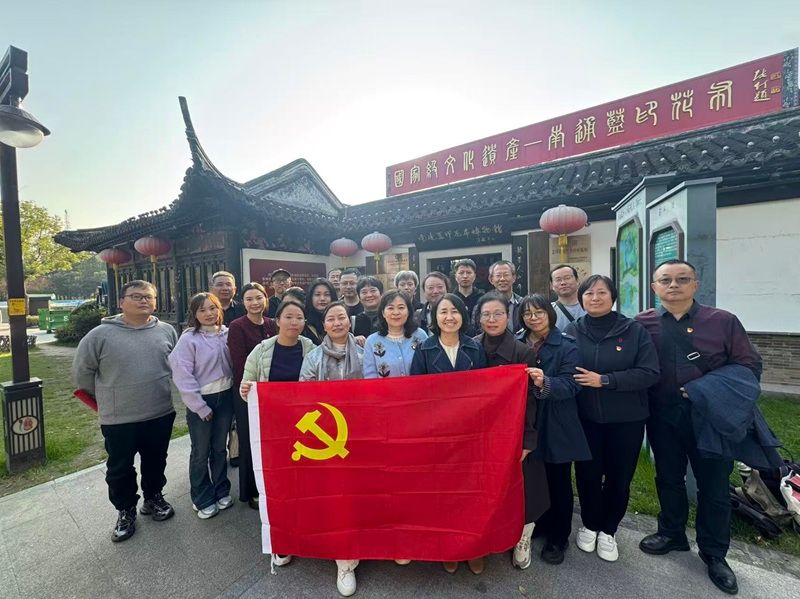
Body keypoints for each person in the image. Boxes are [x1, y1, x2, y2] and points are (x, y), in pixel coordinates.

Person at [636, 260, 763, 595]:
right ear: (654, 287)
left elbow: (749, 366)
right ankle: (672, 533)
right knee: (668, 477)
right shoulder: (643, 323)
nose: (673, 285)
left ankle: (714, 553)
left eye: (682, 279)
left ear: (695, 284)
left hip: (710, 418)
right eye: (665, 280)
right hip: (663, 416)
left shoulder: (723, 321)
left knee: (714, 486)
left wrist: (704, 390)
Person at [563, 275, 660, 562]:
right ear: (581, 298)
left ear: (612, 297)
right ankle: (590, 524)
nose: (595, 298)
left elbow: (649, 372)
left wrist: (605, 380)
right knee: (587, 475)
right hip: (585, 418)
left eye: (601, 293)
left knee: (619, 477)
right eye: (589, 293)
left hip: (626, 419)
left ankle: (609, 530)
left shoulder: (633, 331)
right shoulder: (572, 330)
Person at [72, 280, 178, 542]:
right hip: (119, 418)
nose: (143, 301)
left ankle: (153, 497)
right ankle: (125, 510)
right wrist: (109, 399)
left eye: (149, 297)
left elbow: (176, 365)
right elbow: (82, 375)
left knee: (156, 460)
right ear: (121, 302)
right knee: (120, 468)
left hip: (159, 411)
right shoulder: (99, 335)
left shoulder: (166, 331)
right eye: (136, 296)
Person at [410, 293, 487, 575]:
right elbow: (416, 394)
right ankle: (448, 546)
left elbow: (486, 390)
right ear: (435, 317)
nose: (449, 317)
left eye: (454, 311)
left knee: (471, 491)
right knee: (443, 493)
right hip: (438, 433)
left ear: (463, 316)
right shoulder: (425, 349)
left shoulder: (475, 348)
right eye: (443, 312)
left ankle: (473, 548)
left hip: (469, 432)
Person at [474, 292, 550, 572]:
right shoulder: (471, 348)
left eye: (498, 314)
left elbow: (529, 401)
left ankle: (523, 537)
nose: (492, 319)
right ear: (478, 319)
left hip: (514, 432)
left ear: (508, 317)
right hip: (479, 433)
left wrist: (527, 440)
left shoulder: (523, 352)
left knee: (525, 486)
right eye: (486, 314)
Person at [239, 299, 315, 569]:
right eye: (289, 317)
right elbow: (247, 387)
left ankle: (308, 529)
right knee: (279, 483)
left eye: (299, 317)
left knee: (305, 482)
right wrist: (247, 390)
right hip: (274, 429)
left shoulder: (311, 348)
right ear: (277, 320)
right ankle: (282, 538)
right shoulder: (261, 351)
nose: (294, 322)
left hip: (306, 427)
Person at [515, 294, 589, 565]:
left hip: (556, 421)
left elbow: (572, 384)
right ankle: (539, 523)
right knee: (533, 478)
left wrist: (545, 382)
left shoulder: (567, 345)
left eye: (539, 312)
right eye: (527, 313)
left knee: (558, 480)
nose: (533, 318)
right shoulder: (517, 341)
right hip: (525, 421)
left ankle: (559, 536)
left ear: (550, 313)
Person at [299, 301, 364, 597]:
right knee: (337, 496)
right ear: (323, 325)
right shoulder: (313, 357)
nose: (337, 323)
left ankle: (374, 544)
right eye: (331, 319)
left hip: (363, 434)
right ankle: (344, 560)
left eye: (341, 318)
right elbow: (303, 395)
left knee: (364, 493)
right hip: (328, 438)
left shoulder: (365, 352)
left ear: (349, 322)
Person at [169, 293, 235, 520]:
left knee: (220, 449)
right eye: (202, 310)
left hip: (226, 398)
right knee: (200, 452)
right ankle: (202, 497)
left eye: (212, 308)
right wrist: (199, 406)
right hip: (203, 400)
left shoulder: (227, 333)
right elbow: (182, 374)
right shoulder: (189, 339)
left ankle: (221, 489)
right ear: (194, 314)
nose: (209, 314)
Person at [227, 282, 277, 508]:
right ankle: (252, 490)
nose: (255, 302)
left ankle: (271, 484)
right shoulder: (237, 326)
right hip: (247, 392)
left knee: (270, 441)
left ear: (265, 299)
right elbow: (239, 364)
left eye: (259, 298)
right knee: (250, 440)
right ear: (243, 302)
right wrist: (254, 389)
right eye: (249, 299)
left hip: (272, 393)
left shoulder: (272, 323)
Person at [210, 270, 244, 466]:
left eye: (228, 284)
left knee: (236, 414)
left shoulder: (242, 309)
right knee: (217, 420)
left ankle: (235, 451)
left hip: (238, 370)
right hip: (214, 374)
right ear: (212, 288)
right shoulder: (206, 310)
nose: (224, 288)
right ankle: (215, 456)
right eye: (220, 284)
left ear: (235, 289)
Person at [363, 290, 428, 379]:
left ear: (408, 311)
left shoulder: (420, 335)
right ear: (383, 313)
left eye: (401, 307)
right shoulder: (372, 341)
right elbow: (370, 376)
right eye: (390, 308)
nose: (396, 312)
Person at [488, 260, 522, 332]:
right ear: (491, 280)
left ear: (514, 278)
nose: (502, 279)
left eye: (506, 275)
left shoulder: (522, 304)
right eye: (498, 275)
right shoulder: (483, 305)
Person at [302, 278, 338, 345]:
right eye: (317, 295)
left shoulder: (339, 319)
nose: (322, 298)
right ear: (310, 297)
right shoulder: (303, 321)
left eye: (326, 294)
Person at [550, 264, 585, 331]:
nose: (563, 283)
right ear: (552, 286)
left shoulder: (591, 306)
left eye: (567, 278)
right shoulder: (549, 310)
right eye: (558, 280)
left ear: (577, 281)